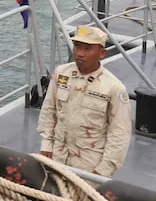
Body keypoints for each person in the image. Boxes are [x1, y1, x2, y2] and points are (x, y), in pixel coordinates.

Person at [37, 25, 131, 177]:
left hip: (89, 163)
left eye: (87, 48)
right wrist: (46, 144)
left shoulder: (113, 88)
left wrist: (103, 170)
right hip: (57, 155)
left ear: (101, 53)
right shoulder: (62, 73)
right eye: (77, 46)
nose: (80, 53)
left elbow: (119, 134)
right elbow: (49, 110)